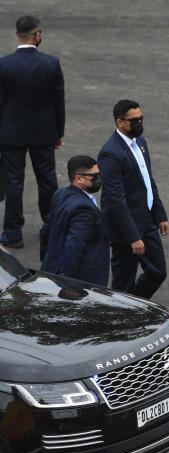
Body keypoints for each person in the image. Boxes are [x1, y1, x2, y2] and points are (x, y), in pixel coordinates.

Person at [0, 15, 65, 249]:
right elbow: (58, 101)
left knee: (14, 183)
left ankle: (12, 233)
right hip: (43, 132)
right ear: (37, 35)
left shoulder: (4, 65)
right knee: (47, 181)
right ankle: (51, 227)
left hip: (11, 134)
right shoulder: (51, 63)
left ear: (17, 34)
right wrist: (59, 132)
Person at [98, 99, 169, 298]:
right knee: (123, 282)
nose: (139, 123)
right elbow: (115, 200)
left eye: (141, 119)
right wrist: (133, 237)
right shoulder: (110, 153)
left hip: (146, 220)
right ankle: (120, 318)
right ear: (120, 122)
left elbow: (148, 181)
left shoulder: (141, 143)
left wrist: (160, 214)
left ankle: (134, 307)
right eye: (134, 120)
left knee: (157, 272)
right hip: (125, 230)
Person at [39, 155, 108, 286]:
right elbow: (74, 246)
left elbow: (45, 231)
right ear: (78, 178)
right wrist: (69, 283)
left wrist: (47, 260)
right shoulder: (84, 209)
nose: (99, 179)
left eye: (99, 174)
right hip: (82, 280)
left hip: (52, 269)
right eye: (94, 176)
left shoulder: (60, 194)